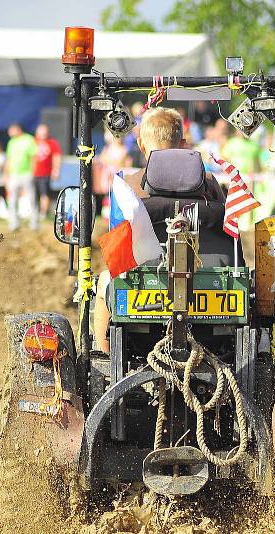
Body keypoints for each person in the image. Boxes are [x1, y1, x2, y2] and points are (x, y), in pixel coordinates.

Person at [93, 107, 226, 354]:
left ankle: (105, 359)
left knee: (103, 280)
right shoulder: (209, 184)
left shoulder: (127, 185)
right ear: (184, 144)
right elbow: (226, 231)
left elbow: (117, 246)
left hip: (144, 297)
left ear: (141, 145)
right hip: (211, 294)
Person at [4, 123, 38, 231]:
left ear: (18, 129)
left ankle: (34, 223)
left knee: (32, 199)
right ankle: (14, 223)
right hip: (14, 174)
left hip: (27, 173)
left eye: (11, 130)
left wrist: (33, 172)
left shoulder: (29, 139)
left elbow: (34, 156)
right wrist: (6, 174)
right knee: (12, 199)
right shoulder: (11, 142)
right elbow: (8, 159)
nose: (10, 133)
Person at [33, 124, 62, 218]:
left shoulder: (52, 143)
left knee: (44, 194)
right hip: (33, 173)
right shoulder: (33, 142)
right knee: (33, 193)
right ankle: (34, 212)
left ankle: (43, 213)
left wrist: (56, 170)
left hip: (45, 173)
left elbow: (57, 157)